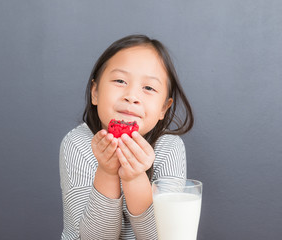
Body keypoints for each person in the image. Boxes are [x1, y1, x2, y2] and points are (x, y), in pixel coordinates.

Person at [59, 34, 194, 239]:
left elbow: (162, 236)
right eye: (120, 81)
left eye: (148, 88)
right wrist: (107, 171)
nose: (131, 96)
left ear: (163, 109)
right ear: (95, 92)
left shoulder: (169, 149)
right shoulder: (78, 144)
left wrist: (134, 178)